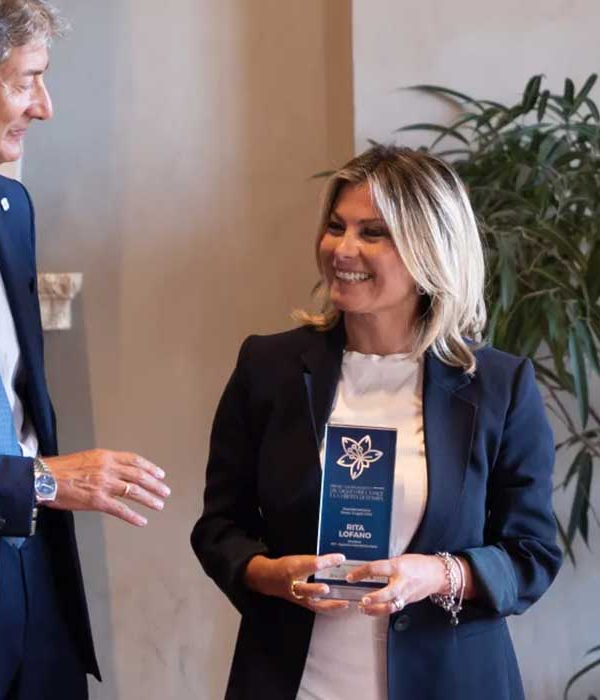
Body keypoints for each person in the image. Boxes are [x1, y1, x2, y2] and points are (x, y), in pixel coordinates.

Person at [191, 145, 562, 700]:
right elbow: (220, 527)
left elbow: (531, 554)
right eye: (335, 227)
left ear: (429, 250)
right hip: (295, 680)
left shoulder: (498, 386)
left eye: (373, 233)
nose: (342, 249)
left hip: (451, 681)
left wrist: (437, 574)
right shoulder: (268, 367)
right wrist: (271, 575)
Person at [0, 2, 170, 699]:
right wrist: (42, 480)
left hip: (37, 595)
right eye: (26, 82)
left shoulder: (8, 207)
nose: (44, 107)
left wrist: (36, 492)